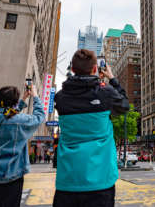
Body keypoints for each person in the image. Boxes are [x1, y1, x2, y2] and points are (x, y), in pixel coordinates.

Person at [53, 49, 129, 207]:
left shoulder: (60, 98)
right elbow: (124, 105)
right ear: (95, 68)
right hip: (101, 181)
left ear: (72, 69)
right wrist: (112, 79)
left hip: (68, 180)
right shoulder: (106, 93)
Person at [0, 84, 44, 207]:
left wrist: (23, 99)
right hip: (11, 177)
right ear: (13, 102)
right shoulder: (19, 120)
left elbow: (9, 115)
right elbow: (39, 116)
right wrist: (35, 95)